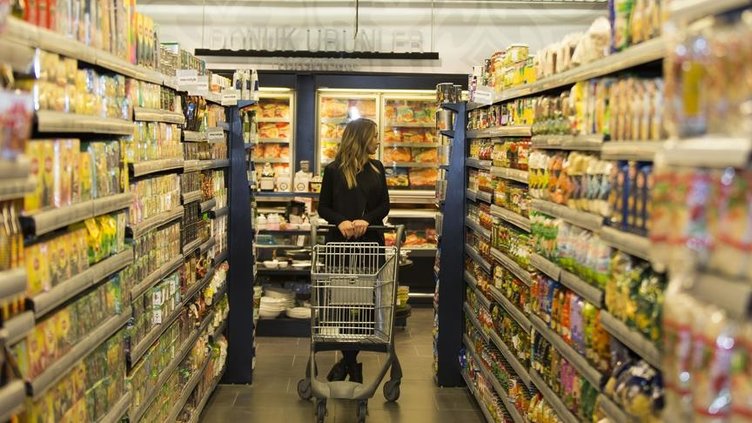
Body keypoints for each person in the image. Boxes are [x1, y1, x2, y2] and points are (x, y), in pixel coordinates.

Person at [317, 118, 390, 384]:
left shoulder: (377, 169)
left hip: (370, 245)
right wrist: (341, 221)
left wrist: (366, 220)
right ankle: (351, 365)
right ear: (361, 138)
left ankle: (347, 363)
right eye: (374, 136)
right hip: (340, 246)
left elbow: (384, 206)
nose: (378, 141)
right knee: (343, 304)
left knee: (366, 306)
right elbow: (323, 207)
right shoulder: (333, 170)